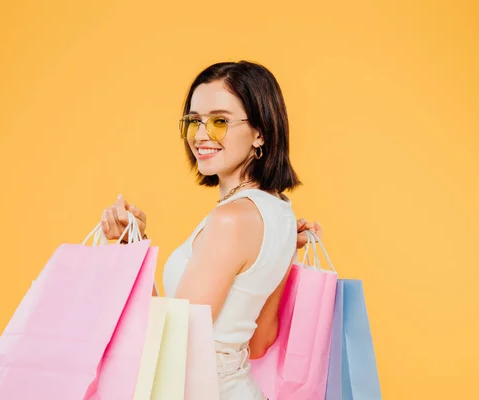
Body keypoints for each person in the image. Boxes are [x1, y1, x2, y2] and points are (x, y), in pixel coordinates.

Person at [100, 61, 322, 399]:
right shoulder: (281, 214)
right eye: (194, 121)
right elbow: (260, 342)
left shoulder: (230, 220)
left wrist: (131, 248)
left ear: (260, 132)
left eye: (220, 121)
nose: (201, 135)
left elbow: (173, 350)